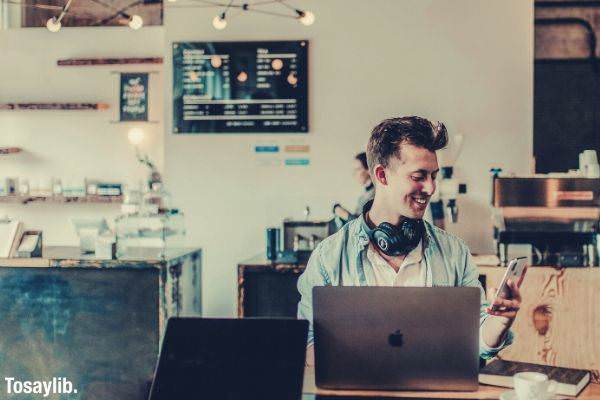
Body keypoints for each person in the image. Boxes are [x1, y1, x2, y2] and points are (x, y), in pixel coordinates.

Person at [297, 116, 521, 365]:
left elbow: (476, 343)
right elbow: (308, 344)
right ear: (382, 176)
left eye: (433, 176)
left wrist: (498, 323)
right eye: (419, 176)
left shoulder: (454, 252)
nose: (430, 188)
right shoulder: (328, 257)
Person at [332, 152, 375, 221]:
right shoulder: (365, 195)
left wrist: (344, 214)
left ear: (368, 170)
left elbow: (362, 226)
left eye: (357, 169)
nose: (354, 174)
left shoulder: (374, 194)